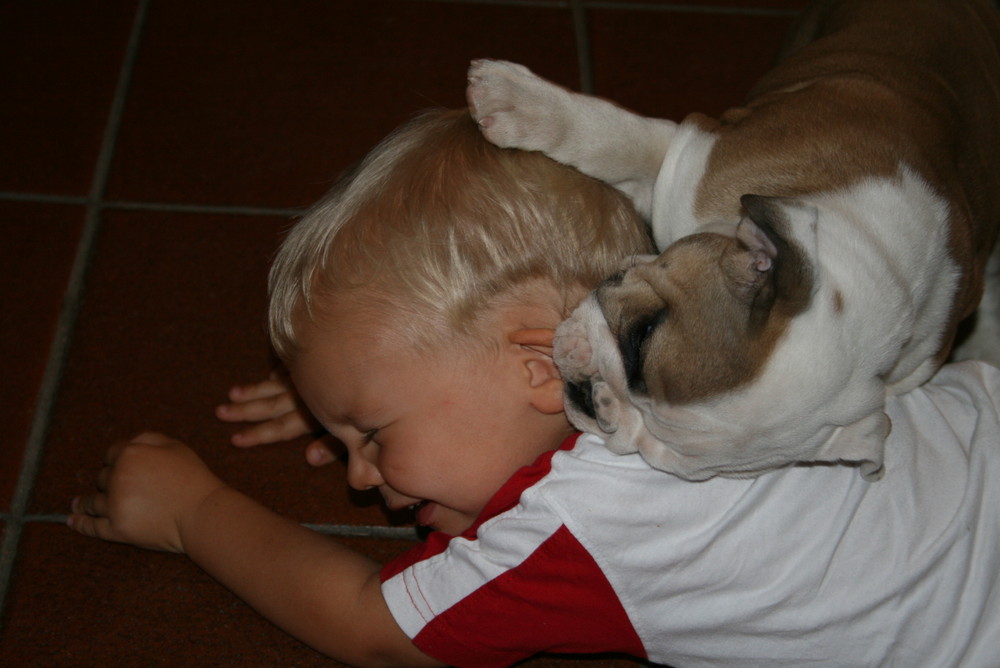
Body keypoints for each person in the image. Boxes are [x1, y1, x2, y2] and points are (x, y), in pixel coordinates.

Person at [68, 109, 1000, 667]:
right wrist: (359, 408)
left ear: (534, 369)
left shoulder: (577, 529)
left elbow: (376, 633)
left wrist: (191, 511)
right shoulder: (698, 318)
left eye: (371, 434)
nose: (358, 479)